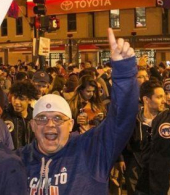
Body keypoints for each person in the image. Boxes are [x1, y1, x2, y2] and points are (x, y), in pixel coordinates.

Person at [17, 28, 139, 194]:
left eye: (58, 118)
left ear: (71, 124)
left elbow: (121, 119)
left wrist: (124, 73)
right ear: (32, 125)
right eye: (42, 118)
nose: (50, 124)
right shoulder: (17, 161)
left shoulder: (91, 151)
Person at [2, 80, 38, 149]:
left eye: (21, 99)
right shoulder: (3, 116)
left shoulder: (35, 118)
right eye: (14, 97)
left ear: (29, 100)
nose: (16, 102)